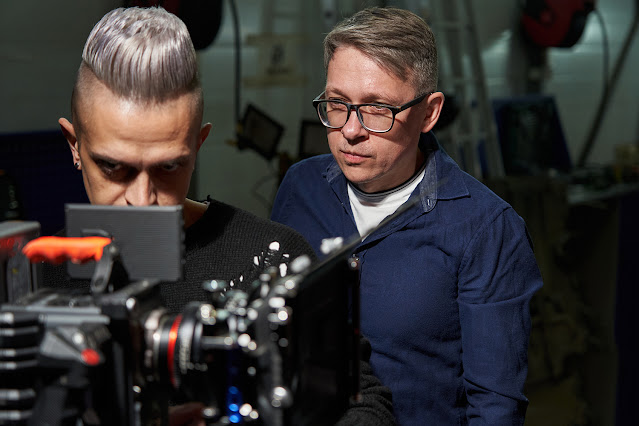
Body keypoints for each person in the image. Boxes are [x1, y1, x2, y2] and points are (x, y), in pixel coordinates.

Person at [41, 6, 395, 425]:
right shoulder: (37, 279)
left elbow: (365, 404)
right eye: (113, 167)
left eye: (168, 167)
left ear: (198, 145)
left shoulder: (273, 257)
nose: (142, 199)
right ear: (74, 146)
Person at [271, 7, 543, 425]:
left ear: (429, 113)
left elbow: (495, 408)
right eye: (337, 104)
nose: (350, 131)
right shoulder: (301, 188)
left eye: (378, 109)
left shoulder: (486, 230)